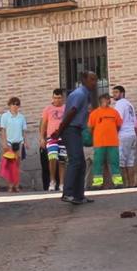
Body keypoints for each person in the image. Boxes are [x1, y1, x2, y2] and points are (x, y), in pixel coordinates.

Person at [58, 71, 96, 204]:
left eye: (95, 80)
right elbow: (71, 112)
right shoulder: (79, 94)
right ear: (84, 80)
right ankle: (67, 193)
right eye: (92, 79)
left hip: (77, 130)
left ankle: (79, 195)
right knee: (75, 161)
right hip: (71, 130)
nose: (94, 82)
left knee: (81, 162)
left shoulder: (85, 94)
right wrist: (60, 130)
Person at [88, 92, 124, 190]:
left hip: (112, 143)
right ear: (103, 100)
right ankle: (97, 184)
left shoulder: (114, 112)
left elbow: (119, 126)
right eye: (108, 99)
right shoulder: (94, 113)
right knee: (98, 163)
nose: (109, 101)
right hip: (99, 144)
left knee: (114, 163)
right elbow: (90, 128)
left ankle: (118, 183)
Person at [112, 85, 137, 187]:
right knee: (130, 161)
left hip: (124, 134)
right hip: (132, 134)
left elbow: (118, 121)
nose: (114, 94)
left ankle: (124, 184)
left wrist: (115, 133)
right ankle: (131, 184)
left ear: (122, 93)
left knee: (120, 161)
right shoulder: (129, 104)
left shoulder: (120, 104)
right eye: (113, 92)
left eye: (116, 92)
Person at [39, 88, 66, 191]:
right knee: (52, 157)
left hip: (63, 137)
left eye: (59, 98)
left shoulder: (66, 108)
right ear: (52, 98)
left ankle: (62, 184)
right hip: (51, 137)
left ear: (62, 98)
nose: (57, 100)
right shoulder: (48, 109)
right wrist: (42, 138)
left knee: (62, 160)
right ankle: (52, 181)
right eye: (55, 98)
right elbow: (43, 124)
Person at [0, 97, 27, 192]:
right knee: (10, 165)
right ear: (9, 105)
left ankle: (16, 185)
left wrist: (25, 142)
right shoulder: (5, 116)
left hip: (19, 142)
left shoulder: (21, 117)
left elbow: (24, 131)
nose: (15, 106)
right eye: (13, 104)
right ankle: (10, 186)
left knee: (17, 165)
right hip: (9, 143)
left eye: (17, 104)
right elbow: (3, 130)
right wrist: (4, 143)